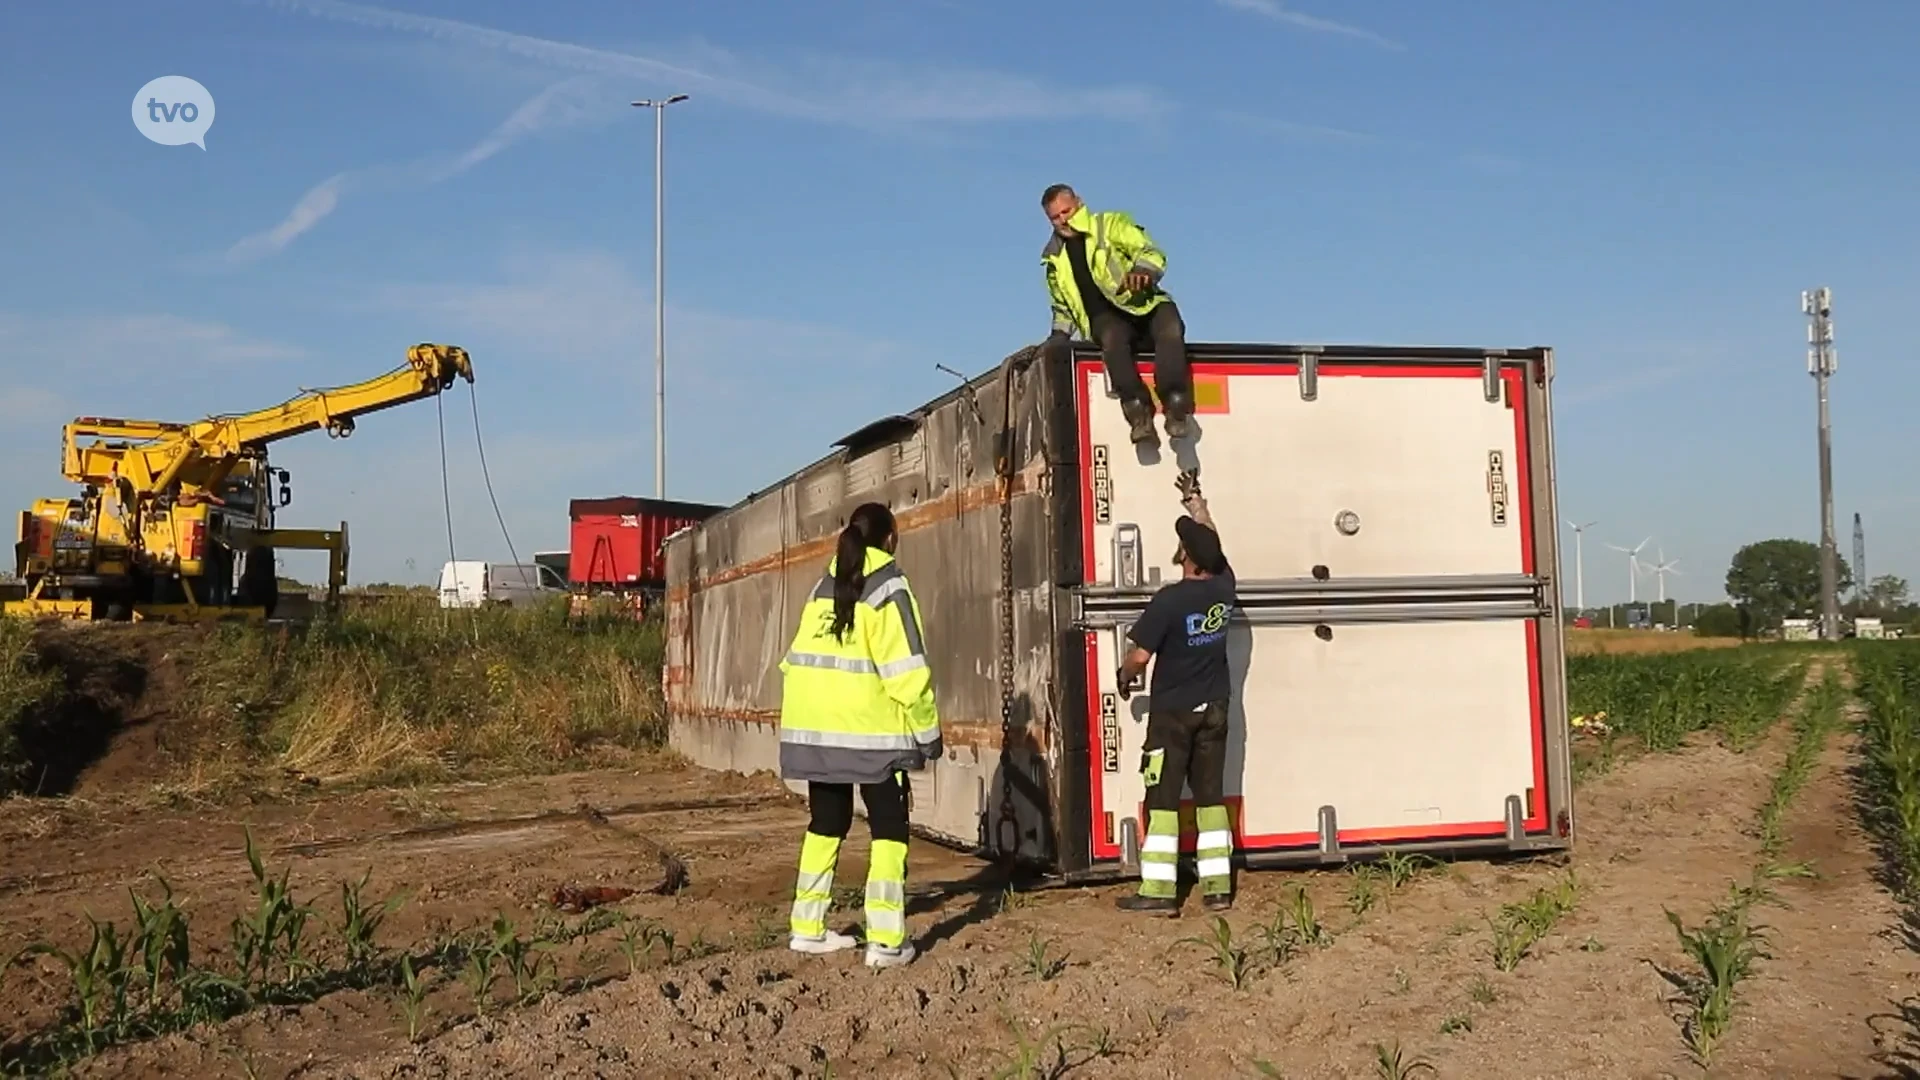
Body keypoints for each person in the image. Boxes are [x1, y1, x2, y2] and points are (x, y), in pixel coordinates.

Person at [778, 502, 943, 968]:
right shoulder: (889, 587)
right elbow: (908, 671)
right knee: (890, 831)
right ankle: (887, 941)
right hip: (872, 737)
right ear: (890, 539)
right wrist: (928, 736)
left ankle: (807, 928)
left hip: (814, 730)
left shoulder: (823, 585)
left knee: (826, 824)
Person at [1114, 471, 1237, 914]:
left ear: (1184, 555)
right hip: (1216, 709)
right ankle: (1218, 888)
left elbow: (1140, 657)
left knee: (1162, 801)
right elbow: (1215, 545)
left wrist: (1124, 675)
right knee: (1210, 798)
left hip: (1172, 715)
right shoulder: (1225, 589)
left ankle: (1160, 892)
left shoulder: (1168, 601)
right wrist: (1196, 504)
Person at [1039, 183, 1194, 447]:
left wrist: (1144, 272)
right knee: (1111, 338)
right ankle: (1138, 412)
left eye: (1067, 211)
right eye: (1056, 217)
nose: (1064, 220)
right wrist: (1057, 338)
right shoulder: (1054, 259)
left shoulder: (1109, 225)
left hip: (1143, 304)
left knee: (1170, 326)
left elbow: (1149, 251)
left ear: (1080, 202)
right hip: (1105, 319)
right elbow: (1062, 307)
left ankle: (1176, 406)